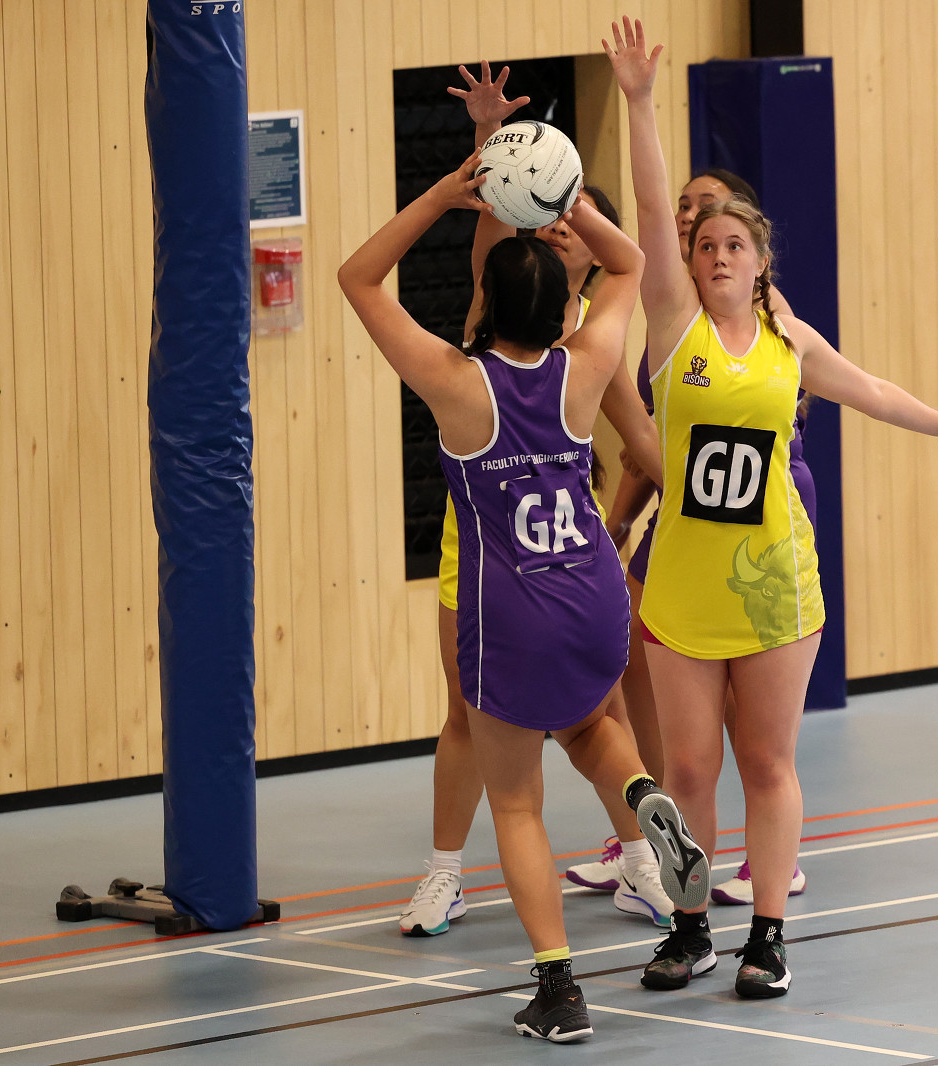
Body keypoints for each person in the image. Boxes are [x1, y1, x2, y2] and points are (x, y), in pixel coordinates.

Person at [605, 16, 938, 999]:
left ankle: (769, 936)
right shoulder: (672, 332)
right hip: (684, 586)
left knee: (766, 760)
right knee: (687, 770)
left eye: (733, 244)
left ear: (760, 260)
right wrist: (639, 103)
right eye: (704, 244)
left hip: (774, 584)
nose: (715, 254)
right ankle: (690, 928)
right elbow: (653, 211)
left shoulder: (792, 344)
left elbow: (874, 392)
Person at [340, 150, 710, 1043]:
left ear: (485, 306)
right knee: (590, 730)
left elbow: (358, 278)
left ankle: (557, 988)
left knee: (516, 804)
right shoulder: (585, 367)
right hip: (593, 595)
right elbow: (630, 263)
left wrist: (444, 194)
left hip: (511, 614)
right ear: (558, 311)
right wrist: (571, 200)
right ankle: (643, 797)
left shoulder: (455, 383)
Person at [399, 64, 678, 941]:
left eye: (567, 222)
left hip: (548, 556)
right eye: (547, 219)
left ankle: (639, 863)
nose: (555, 230)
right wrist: (492, 144)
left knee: (588, 719)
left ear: (587, 249)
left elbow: (642, 443)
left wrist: (648, 504)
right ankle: (446, 873)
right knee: (472, 714)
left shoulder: (586, 339)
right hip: (494, 547)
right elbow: (493, 234)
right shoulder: (511, 319)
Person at [572, 167, 812, 907]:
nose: (691, 220)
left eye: (713, 217)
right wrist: (619, 520)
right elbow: (650, 436)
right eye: (687, 212)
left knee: (756, 725)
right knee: (669, 695)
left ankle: (768, 857)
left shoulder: (767, 318)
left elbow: (859, 388)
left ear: (755, 250)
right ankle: (663, 843)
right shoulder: (675, 314)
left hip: (759, 514)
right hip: (690, 508)